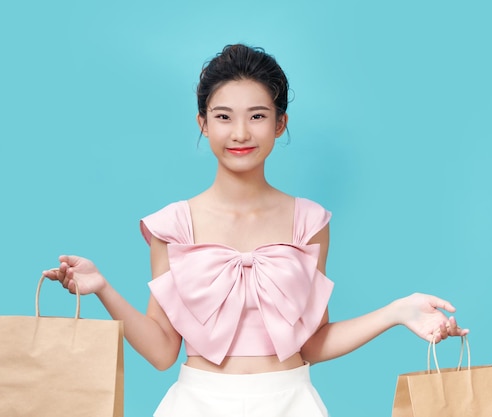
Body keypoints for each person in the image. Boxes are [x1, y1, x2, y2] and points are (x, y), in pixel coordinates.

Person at [43, 44, 468, 417]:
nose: (240, 133)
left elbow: (313, 342)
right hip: (196, 404)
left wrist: (397, 312)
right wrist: (102, 288)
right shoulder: (171, 225)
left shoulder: (310, 222)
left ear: (280, 124)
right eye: (223, 116)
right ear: (203, 124)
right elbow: (162, 351)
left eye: (258, 115)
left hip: (291, 402)